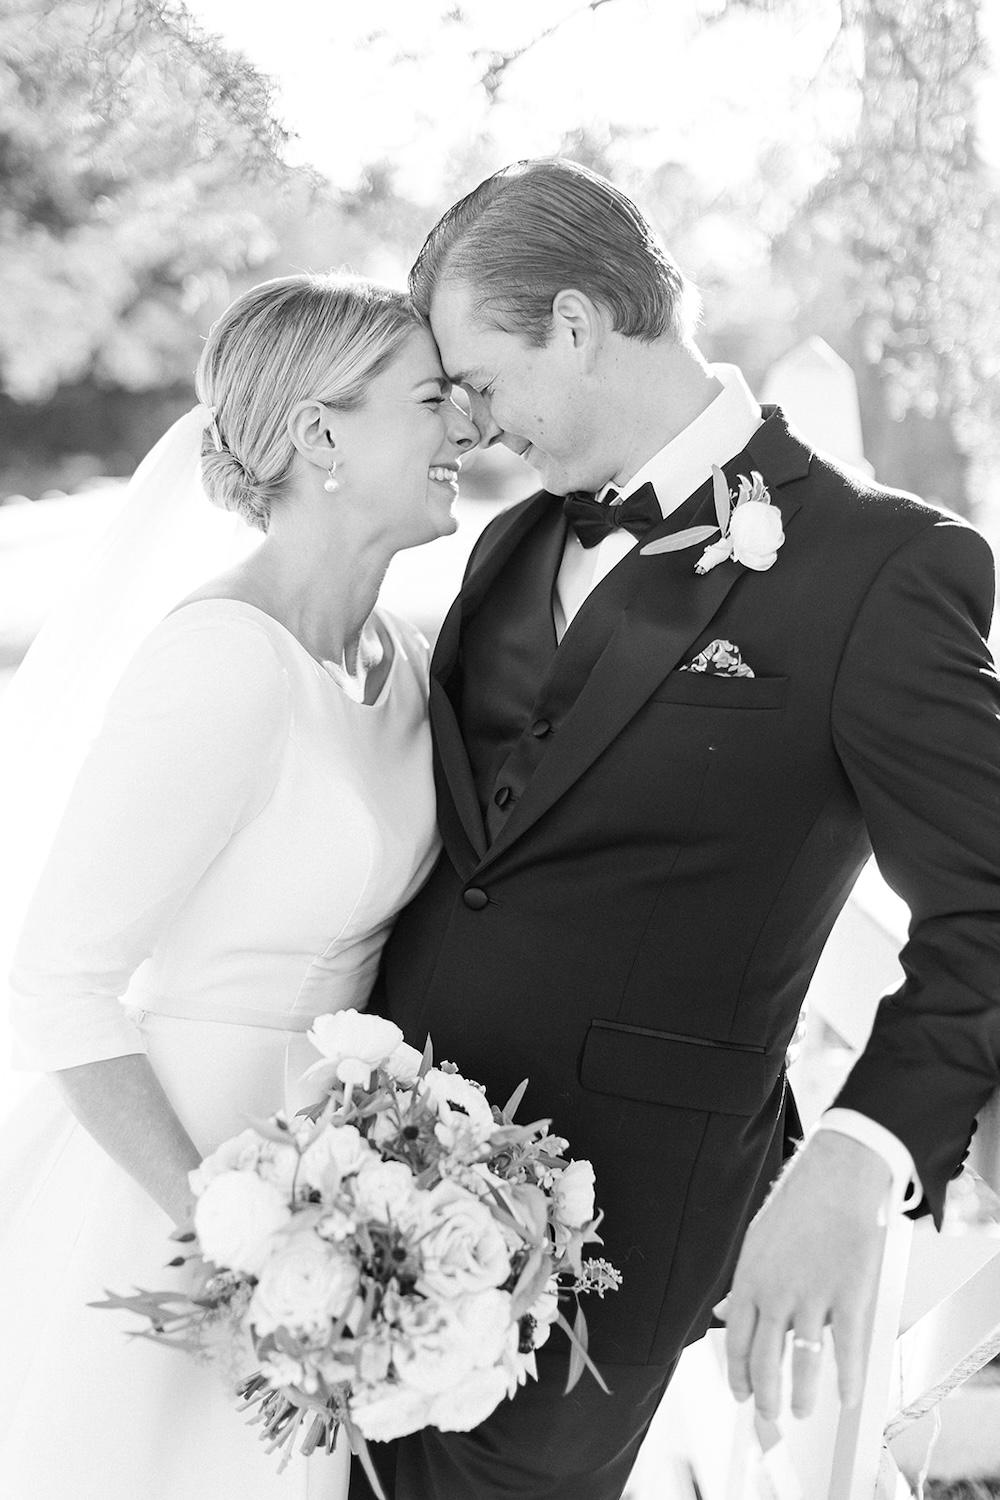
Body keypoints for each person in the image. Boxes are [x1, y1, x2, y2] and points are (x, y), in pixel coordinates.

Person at [351, 158, 1000, 1500]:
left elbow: (989, 903)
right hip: (375, 1184)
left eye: (477, 381)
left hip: (626, 1223)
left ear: (578, 326)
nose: (467, 427)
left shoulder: (880, 569)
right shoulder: (510, 545)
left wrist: (852, 1163)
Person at [0, 272, 477, 1498]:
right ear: (322, 434)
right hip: (168, 1198)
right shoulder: (219, 662)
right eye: (430, 398)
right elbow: (59, 981)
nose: (466, 428)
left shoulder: (408, 662)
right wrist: (236, 1238)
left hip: (337, 1202)